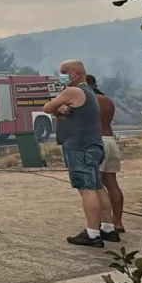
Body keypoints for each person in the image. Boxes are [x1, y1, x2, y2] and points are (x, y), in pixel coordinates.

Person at [43, 60, 116, 248]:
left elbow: (47, 108)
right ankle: (108, 227)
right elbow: (60, 109)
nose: (61, 75)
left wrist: (56, 106)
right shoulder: (89, 92)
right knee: (97, 186)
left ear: (76, 74)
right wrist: (60, 108)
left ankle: (92, 233)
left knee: (86, 189)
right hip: (93, 144)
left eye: (64, 72)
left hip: (79, 146)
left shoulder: (72, 91)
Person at [87, 74, 124, 233]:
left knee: (95, 185)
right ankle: (118, 222)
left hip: (95, 141)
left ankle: (102, 223)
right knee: (112, 183)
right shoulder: (107, 100)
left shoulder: (87, 101)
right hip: (110, 140)